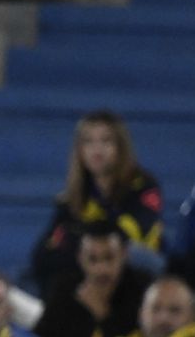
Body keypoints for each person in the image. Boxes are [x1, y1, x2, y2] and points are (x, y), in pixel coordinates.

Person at [30, 111, 164, 294]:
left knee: (125, 254)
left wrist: (76, 237)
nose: (97, 149)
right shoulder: (72, 197)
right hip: (85, 267)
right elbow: (43, 253)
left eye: (106, 141)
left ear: (121, 147)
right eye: (88, 142)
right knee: (27, 276)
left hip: (137, 270)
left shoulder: (144, 186)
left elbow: (124, 236)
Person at [32, 222, 152, 337]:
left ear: (124, 255)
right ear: (80, 258)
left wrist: (101, 314)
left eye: (109, 258)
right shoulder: (66, 288)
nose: (101, 269)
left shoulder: (143, 290)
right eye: (92, 259)